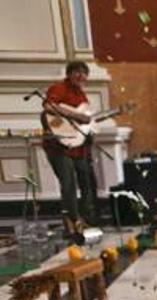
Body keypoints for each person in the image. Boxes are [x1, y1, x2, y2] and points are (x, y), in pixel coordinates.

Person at [41, 61, 100, 237]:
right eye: (77, 72)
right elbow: (48, 107)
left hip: (78, 147)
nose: (81, 76)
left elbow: (83, 123)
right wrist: (76, 116)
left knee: (86, 181)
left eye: (84, 73)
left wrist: (89, 132)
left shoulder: (82, 96)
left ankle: (86, 218)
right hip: (58, 147)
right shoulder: (59, 88)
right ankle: (72, 221)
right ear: (69, 74)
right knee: (68, 184)